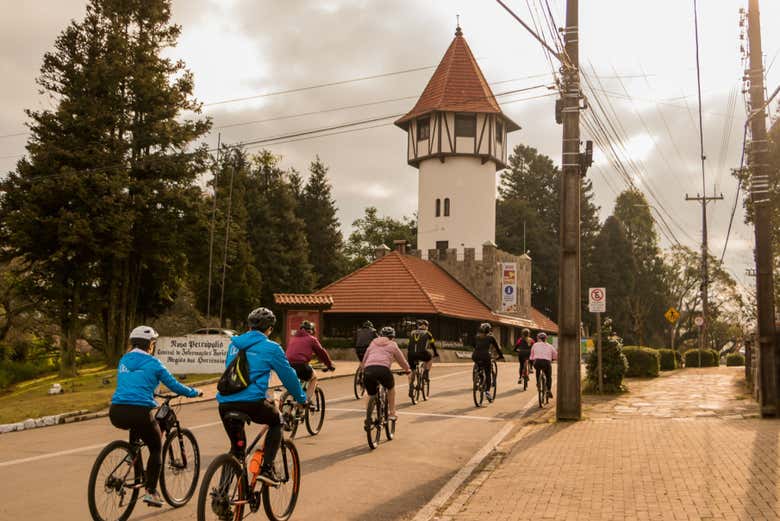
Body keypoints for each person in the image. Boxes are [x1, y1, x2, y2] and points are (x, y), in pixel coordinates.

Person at [109, 326, 201, 508]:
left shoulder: (124, 360)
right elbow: (175, 386)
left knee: (137, 427)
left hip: (116, 411)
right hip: (138, 411)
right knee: (156, 448)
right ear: (150, 345)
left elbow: (132, 384)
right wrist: (193, 392)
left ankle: (132, 454)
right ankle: (151, 491)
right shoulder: (155, 364)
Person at [217, 307, 307, 486]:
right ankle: (267, 468)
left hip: (225, 403)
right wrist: (302, 398)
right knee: (277, 421)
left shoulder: (234, 345)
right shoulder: (272, 348)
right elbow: (288, 377)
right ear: (270, 329)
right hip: (252, 403)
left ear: (249, 326)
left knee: (237, 449)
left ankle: (222, 495)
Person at [360, 326, 411, 420]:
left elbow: (365, 358)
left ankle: (368, 416)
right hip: (383, 370)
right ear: (393, 337)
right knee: (391, 388)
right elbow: (401, 361)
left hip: (368, 369)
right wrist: (407, 369)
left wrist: (363, 369)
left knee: (370, 393)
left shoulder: (373, 343)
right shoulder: (393, 344)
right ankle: (392, 413)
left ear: (380, 335)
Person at [285, 320, 335, 404]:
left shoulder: (293, 338)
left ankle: (290, 406)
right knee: (313, 377)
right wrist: (329, 365)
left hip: (287, 366)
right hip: (302, 366)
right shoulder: (311, 339)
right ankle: (306, 401)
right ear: (311, 331)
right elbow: (321, 353)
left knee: (295, 383)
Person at [472, 323, 505, 401]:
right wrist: (501, 356)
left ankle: (479, 379)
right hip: (485, 356)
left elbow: (473, 345)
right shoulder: (491, 337)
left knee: (480, 368)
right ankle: (487, 391)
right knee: (488, 373)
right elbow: (497, 348)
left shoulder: (477, 337)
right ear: (489, 330)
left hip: (475, 356)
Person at [406, 319, 439, 397]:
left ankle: (411, 385)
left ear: (418, 326)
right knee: (430, 357)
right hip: (422, 353)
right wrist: (435, 353)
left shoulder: (412, 332)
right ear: (427, 326)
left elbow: (408, 345)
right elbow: (433, 344)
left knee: (413, 370)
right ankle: (426, 372)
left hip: (411, 355)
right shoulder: (428, 333)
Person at [530, 332, 557, 398]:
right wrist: (553, 359)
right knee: (548, 376)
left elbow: (531, 355)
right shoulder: (550, 346)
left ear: (538, 338)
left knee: (538, 370)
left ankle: (538, 383)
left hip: (537, 362)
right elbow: (556, 355)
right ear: (546, 339)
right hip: (547, 362)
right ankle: (548, 390)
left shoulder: (535, 345)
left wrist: (532, 359)